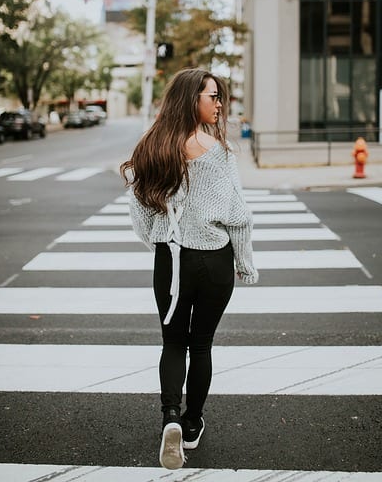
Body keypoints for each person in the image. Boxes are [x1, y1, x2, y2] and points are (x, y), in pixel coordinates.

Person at [120, 67, 258, 470]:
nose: (218, 104)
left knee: (172, 343)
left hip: (171, 259)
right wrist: (245, 265)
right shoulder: (219, 153)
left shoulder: (153, 146)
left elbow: (138, 209)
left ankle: (170, 418)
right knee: (201, 345)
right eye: (211, 96)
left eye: (219, 97)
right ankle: (193, 424)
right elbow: (238, 217)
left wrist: (160, 243)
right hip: (214, 261)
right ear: (191, 99)